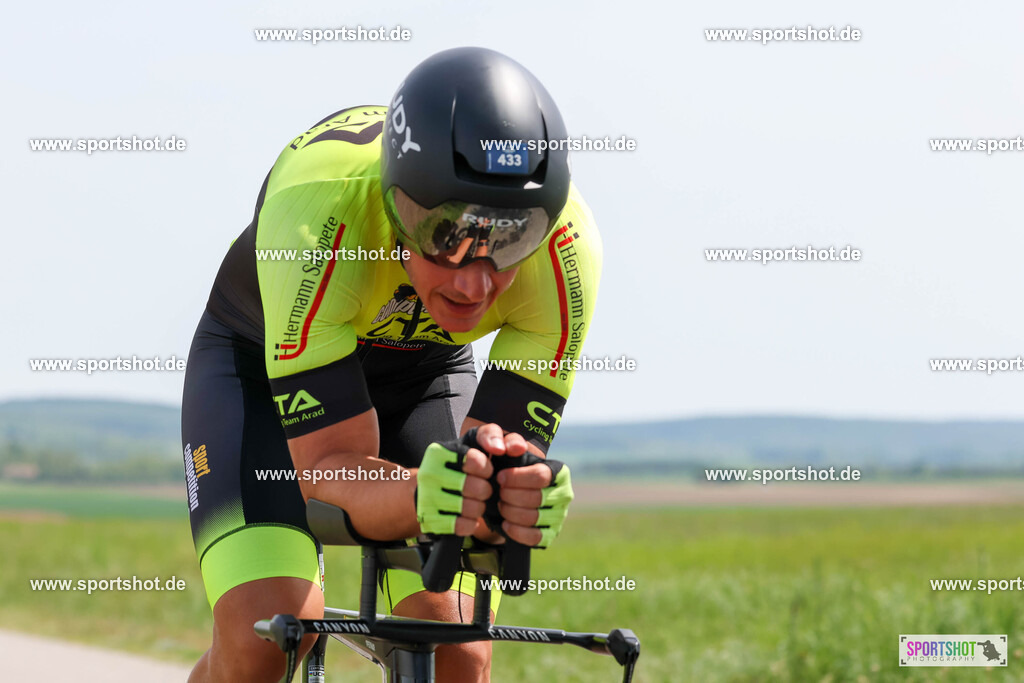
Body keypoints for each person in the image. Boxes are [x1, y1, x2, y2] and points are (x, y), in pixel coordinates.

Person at [180, 46, 601, 683]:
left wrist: (513, 492)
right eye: (444, 236)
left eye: (509, 240)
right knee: (264, 638)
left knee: (457, 647)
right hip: (256, 372)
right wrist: (423, 494)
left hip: (423, 373)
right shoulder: (319, 213)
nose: (473, 284)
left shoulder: (567, 254)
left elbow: (491, 468)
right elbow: (325, 466)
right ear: (395, 204)